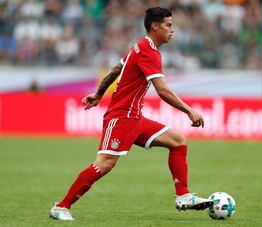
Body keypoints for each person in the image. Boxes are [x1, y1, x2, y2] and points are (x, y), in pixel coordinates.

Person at [49, 7, 213, 221]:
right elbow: (162, 90)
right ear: (155, 26)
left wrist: (99, 94)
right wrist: (189, 110)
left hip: (135, 117)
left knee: (178, 141)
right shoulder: (148, 51)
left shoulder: (140, 47)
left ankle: (183, 195)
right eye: (168, 25)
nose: (172, 30)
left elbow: (116, 70)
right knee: (105, 164)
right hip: (121, 117)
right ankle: (61, 207)